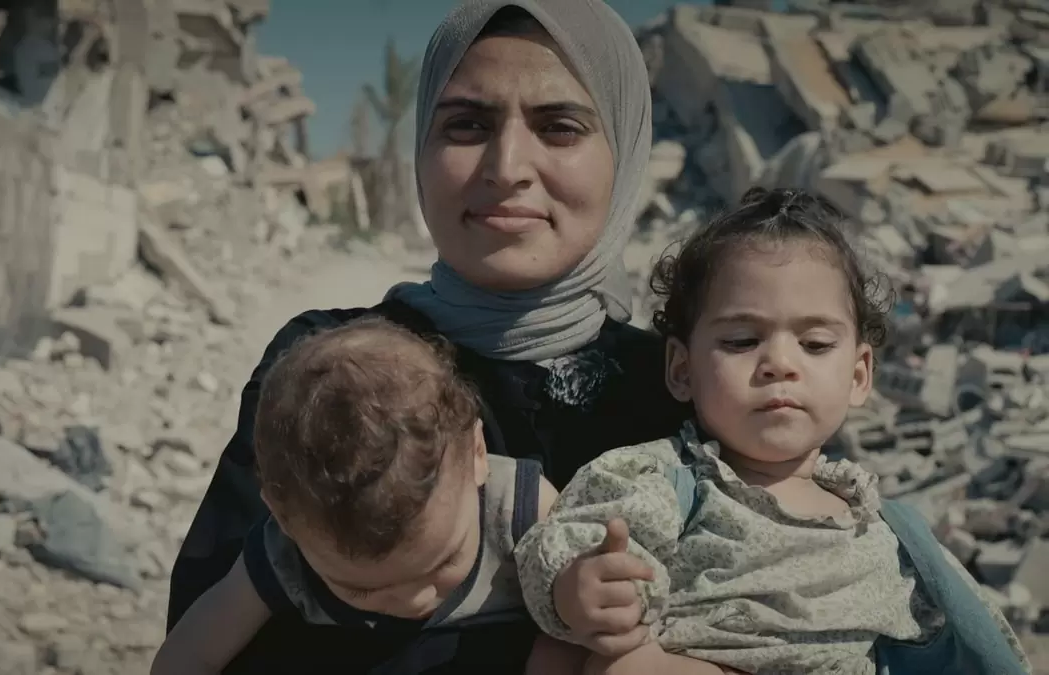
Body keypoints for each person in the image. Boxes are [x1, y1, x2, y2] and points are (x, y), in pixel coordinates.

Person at [166, 0, 692, 671]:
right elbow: (213, 636)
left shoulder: (682, 390)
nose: (506, 167)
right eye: (467, 124)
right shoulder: (327, 372)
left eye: (559, 127)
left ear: (625, 148)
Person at [515, 188, 1032, 675]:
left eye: (815, 344)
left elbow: (977, 639)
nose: (780, 363)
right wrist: (579, 587)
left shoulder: (888, 533)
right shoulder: (662, 485)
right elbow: (569, 544)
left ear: (858, 375)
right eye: (742, 341)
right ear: (682, 369)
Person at [151, 317, 556, 675]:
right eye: (361, 591)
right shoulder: (286, 556)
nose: (414, 601)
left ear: (478, 454)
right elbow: (192, 652)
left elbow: (583, 606)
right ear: (283, 518)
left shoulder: (518, 510)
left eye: (445, 562)